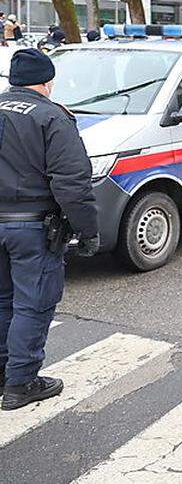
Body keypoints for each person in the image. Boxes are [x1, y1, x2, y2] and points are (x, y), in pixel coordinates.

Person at [0, 49, 99, 410]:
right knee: (33, 305)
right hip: (31, 227)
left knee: (2, 301)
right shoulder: (51, 117)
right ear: (47, 82)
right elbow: (72, 182)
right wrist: (87, 230)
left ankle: (3, 372)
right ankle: (21, 383)